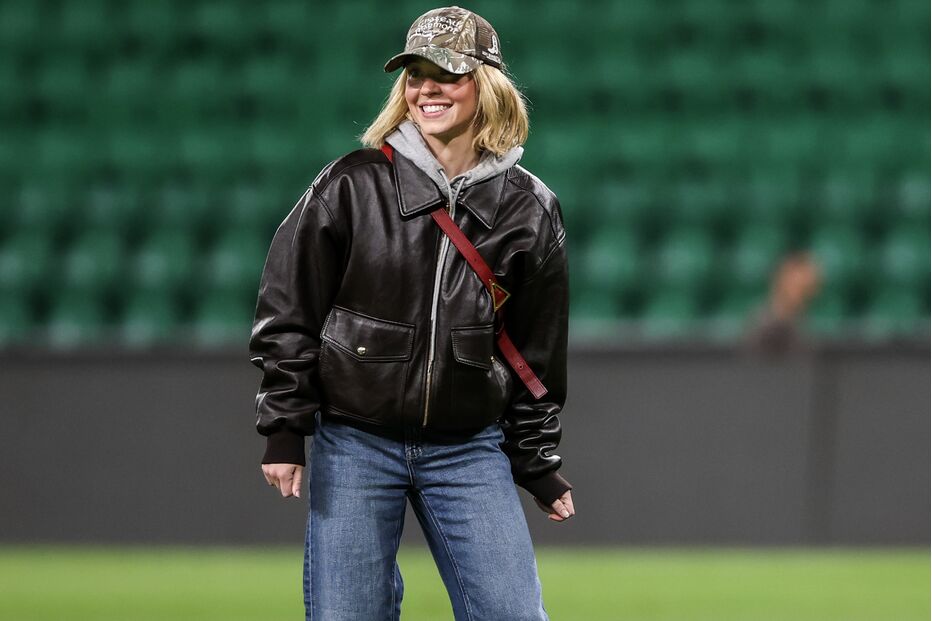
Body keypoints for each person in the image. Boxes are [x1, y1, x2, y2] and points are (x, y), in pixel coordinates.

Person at [249, 6, 574, 619]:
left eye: (446, 74)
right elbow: (287, 311)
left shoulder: (531, 209)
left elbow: (537, 354)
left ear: (488, 84)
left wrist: (536, 461)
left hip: (469, 448)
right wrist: (285, 427)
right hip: (354, 439)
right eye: (415, 75)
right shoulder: (349, 185)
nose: (427, 88)